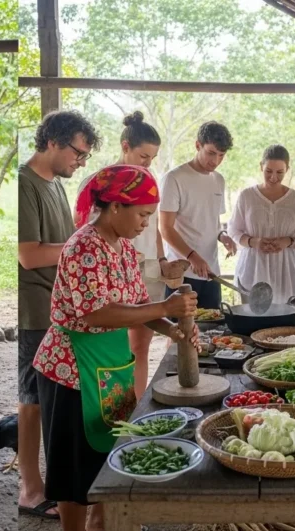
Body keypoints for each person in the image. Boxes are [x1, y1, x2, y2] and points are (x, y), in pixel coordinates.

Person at [35, 165, 198, 531]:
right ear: (112, 207)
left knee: (107, 449)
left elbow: (139, 307)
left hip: (109, 363)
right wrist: (165, 306)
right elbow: (95, 314)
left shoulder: (123, 248)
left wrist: (173, 328)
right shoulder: (84, 247)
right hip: (71, 368)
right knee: (73, 466)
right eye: (142, 214)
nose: (146, 223)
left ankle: (101, 521)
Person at [17, 110, 101, 521]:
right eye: (78, 152)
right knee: (32, 401)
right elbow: (30, 254)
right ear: (52, 140)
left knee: (46, 401)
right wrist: (81, 247)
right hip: (34, 306)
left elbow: (65, 240)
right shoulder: (24, 184)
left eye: (84, 157)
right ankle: (30, 490)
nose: (79, 162)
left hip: (57, 306)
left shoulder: (55, 186)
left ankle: (47, 484)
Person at [72, 112, 188, 399]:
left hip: (143, 268)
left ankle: (134, 406)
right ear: (125, 146)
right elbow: (83, 224)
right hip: (111, 271)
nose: (148, 163)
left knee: (140, 345)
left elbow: (157, 231)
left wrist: (160, 261)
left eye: (152, 158)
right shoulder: (99, 185)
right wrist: (119, 254)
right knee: (115, 345)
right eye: (143, 155)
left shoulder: (148, 182)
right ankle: (116, 405)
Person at [159, 121, 238, 311]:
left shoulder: (218, 180)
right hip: (183, 273)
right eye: (211, 153)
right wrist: (192, 257)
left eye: (221, 155)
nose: (216, 161)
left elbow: (211, 222)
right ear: (197, 145)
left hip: (211, 273)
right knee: (180, 334)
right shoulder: (174, 178)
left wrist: (222, 236)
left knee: (213, 334)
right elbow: (166, 228)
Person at [226, 145, 295, 304]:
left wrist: (288, 241)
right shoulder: (247, 196)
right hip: (253, 269)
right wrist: (254, 242)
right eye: (268, 171)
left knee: (286, 325)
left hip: (285, 271)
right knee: (252, 323)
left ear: (287, 169)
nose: (274, 177)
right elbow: (233, 229)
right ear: (261, 166)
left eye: (280, 172)